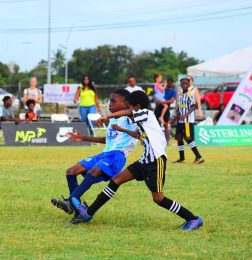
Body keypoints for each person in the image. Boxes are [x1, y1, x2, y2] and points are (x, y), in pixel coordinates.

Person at [70, 90, 204, 231]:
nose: (127, 109)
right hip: (144, 161)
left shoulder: (146, 113)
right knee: (116, 180)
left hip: (155, 162)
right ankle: (88, 213)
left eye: (129, 106)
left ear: (137, 106)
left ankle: (193, 219)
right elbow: (138, 135)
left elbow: (128, 113)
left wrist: (107, 117)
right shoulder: (142, 121)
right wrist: (121, 129)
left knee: (158, 198)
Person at [51, 89, 137, 223]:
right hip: (104, 154)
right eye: (109, 101)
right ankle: (77, 207)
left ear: (125, 104)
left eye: (113, 101)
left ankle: (71, 201)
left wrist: (108, 117)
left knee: (94, 171)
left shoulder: (129, 119)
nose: (109, 105)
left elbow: (131, 113)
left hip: (116, 156)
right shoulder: (114, 121)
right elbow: (108, 140)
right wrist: (83, 138)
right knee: (71, 171)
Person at [172, 78, 204, 164]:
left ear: (189, 85)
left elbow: (194, 106)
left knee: (188, 138)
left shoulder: (190, 94)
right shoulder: (181, 94)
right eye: (182, 84)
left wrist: (186, 115)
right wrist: (175, 118)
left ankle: (198, 157)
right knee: (179, 138)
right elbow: (181, 108)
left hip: (187, 120)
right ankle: (181, 158)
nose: (183, 85)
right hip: (181, 120)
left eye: (185, 84)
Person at [154, 78, 177, 142]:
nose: (169, 84)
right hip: (158, 108)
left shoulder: (173, 91)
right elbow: (156, 95)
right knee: (157, 125)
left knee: (166, 125)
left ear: (172, 83)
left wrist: (162, 102)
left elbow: (172, 100)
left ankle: (167, 141)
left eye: (170, 83)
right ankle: (156, 141)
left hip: (166, 109)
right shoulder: (162, 89)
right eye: (168, 82)